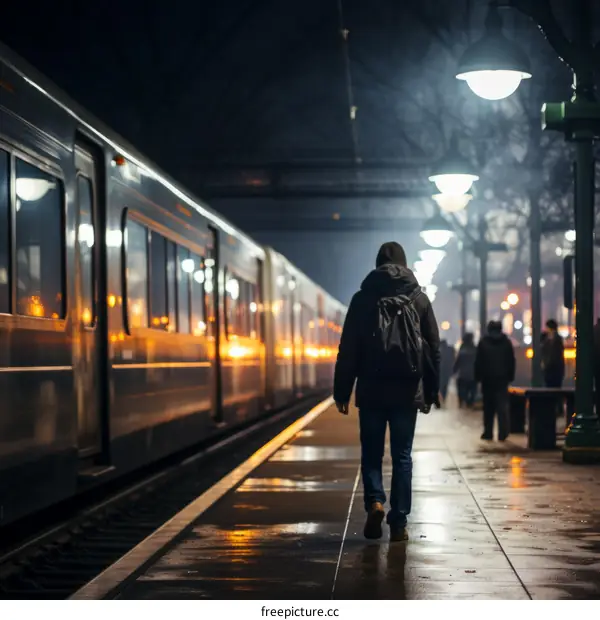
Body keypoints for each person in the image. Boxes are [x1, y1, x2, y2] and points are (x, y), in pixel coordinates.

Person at [333, 241, 441, 542]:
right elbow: (433, 348)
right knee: (403, 455)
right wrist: (432, 390)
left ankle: (375, 502)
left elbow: (348, 349)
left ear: (377, 264)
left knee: (371, 454)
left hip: (370, 389)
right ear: (405, 265)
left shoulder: (362, 299)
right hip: (407, 390)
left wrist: (342, 391)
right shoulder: (419, 299)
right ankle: (399, 521)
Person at [474, 320, 516, 441]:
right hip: (502, 379)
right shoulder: (506, 342)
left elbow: (478, 362)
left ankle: (488, 432)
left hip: (487, 380)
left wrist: (478, 377)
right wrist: (510, 376)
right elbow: (511, 361)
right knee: (502, 407)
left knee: (488, 408)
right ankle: (503, 432)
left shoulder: (483, 343)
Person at [453, 332, 477, 408]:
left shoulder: (462, 349)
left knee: (462, 390)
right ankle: (469, 403)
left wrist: (454, 371)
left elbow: (458, 362)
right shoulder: (474, 349)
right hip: (473, 375)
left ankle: (462, 402)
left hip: (462, 375)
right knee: (472, 390)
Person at [541, 319, 565, 388]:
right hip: (550, 369)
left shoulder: (556, 340)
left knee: (553, 387)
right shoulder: (548, 339)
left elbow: (556, 355)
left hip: (554, 369)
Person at [439, 339, 455, 406]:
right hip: (447, 370)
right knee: (445, 385)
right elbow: (453, 360)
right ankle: (443, 398)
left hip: (440, 371)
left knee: (440, 385)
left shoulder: (438, 350)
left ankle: (440, 399)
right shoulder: (450, 349)